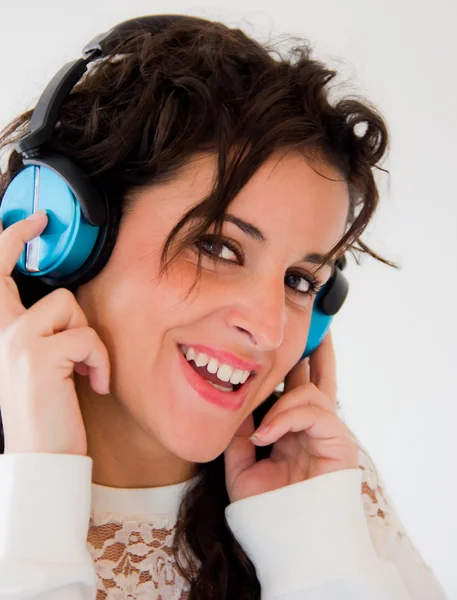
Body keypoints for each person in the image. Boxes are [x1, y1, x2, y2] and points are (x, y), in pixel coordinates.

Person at [0, 14, 448, 600]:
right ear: (63, 234)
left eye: (300, 281)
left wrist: (314, 554)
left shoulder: (318, 487)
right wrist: (35, 495)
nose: (266, 329)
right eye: (216, 246)